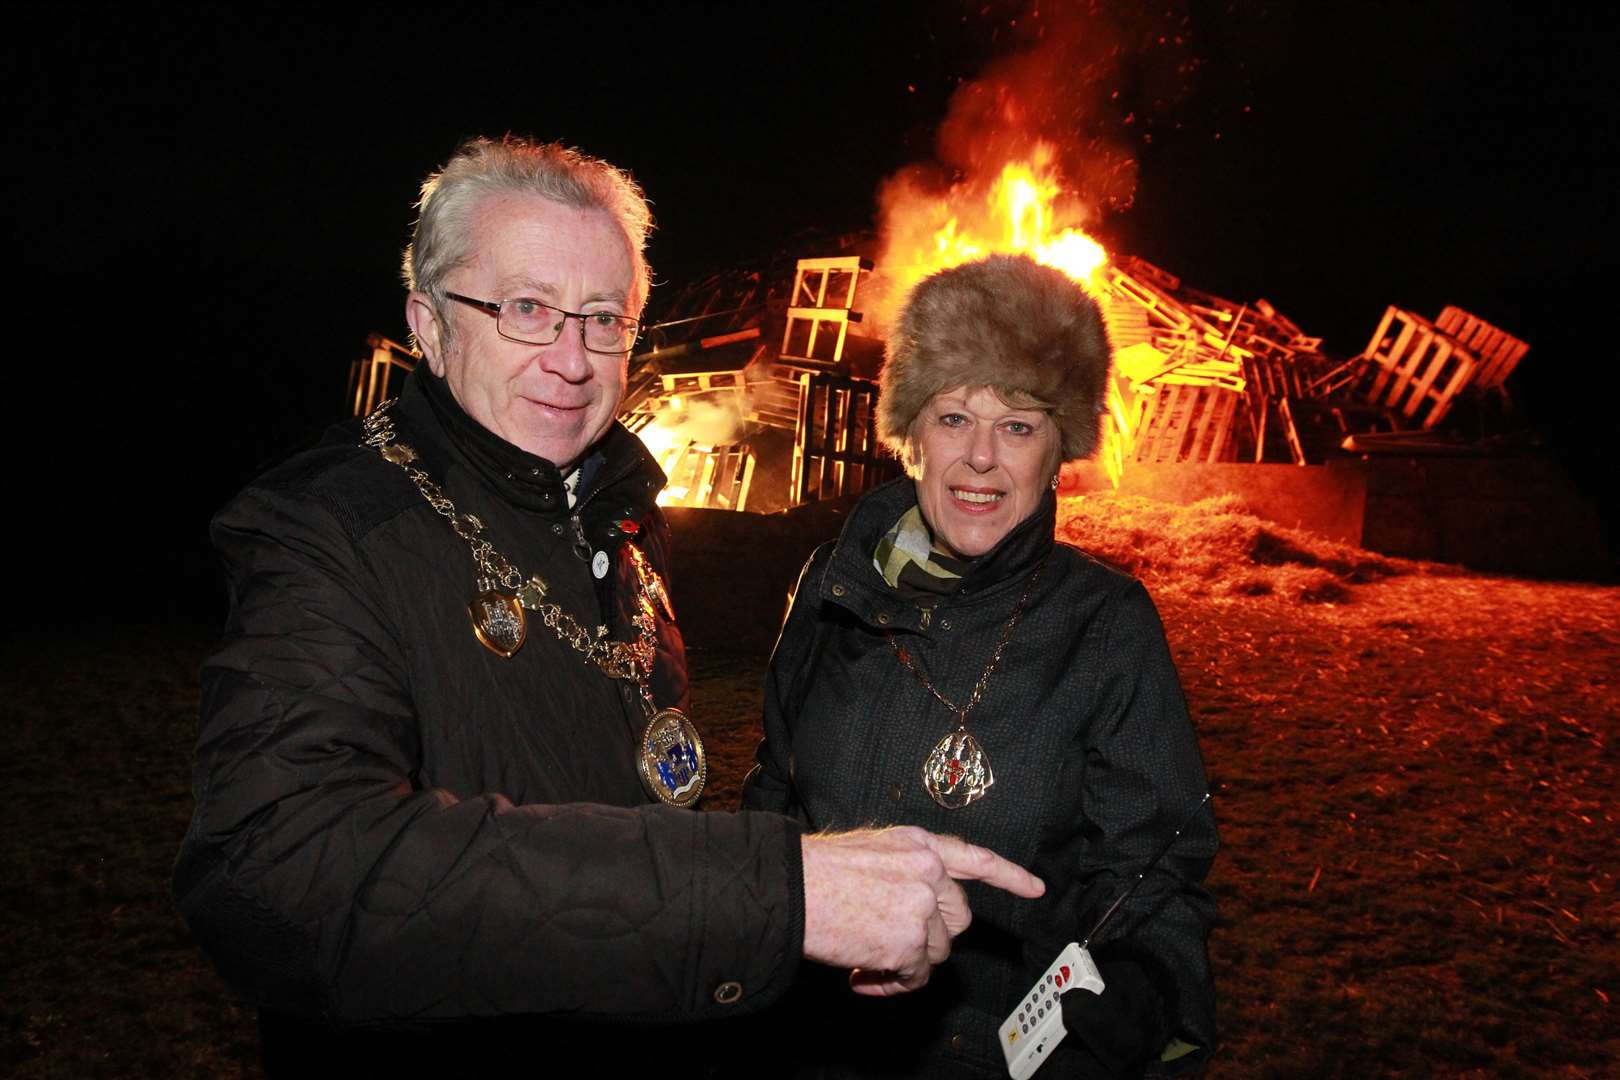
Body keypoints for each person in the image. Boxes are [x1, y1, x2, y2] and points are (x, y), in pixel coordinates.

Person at [173, 136, 1043, 1074]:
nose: (573, 358)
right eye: (526, 310)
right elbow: (276, 875)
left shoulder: (615, 515)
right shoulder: (328, 525)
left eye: (602, 318)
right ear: (427, 324)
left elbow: (621, 811)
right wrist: (771, 892)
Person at [743, 254, 1219, 1078]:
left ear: (1057, 450)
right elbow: (772, 792)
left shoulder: (1104, 624)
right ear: (911, 435)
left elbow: (1152, 868)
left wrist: (1132, 998)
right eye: (956, 417)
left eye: (1019, 426)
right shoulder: (831, 585)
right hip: (808, 1039)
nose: (982, 459)